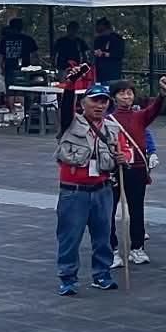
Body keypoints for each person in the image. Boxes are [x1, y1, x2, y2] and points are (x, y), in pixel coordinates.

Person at [54, 77, 132, 294]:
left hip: (103, 189)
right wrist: (70, 84)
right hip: (73, 191)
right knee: (69, 236)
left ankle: (102, 274)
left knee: (103, 236)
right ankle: (68, 278)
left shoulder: (112, 128)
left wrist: (123, 157)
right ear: (83, 103)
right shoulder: (70, 122)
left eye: (104, 101)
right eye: (95, 101)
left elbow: (124, 151)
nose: (100, 105)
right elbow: (66, 104)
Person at [108, 76, 166, 266]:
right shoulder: (107, 119)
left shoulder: (140, 116)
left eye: (129, 93)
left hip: (137, 168)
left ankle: (137, 247)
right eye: (122, 93)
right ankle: (112, 249)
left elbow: (154, 110)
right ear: (114, 97)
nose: (126, 96)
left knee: (137, 208)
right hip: (113, 168)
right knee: (108, 210)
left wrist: (162, 94)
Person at [91, 18, 126, 83]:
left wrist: (104, 54)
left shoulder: (116, 39)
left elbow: (119, 54)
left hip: (112, 72)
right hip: (99, 72)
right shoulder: (98, 40)